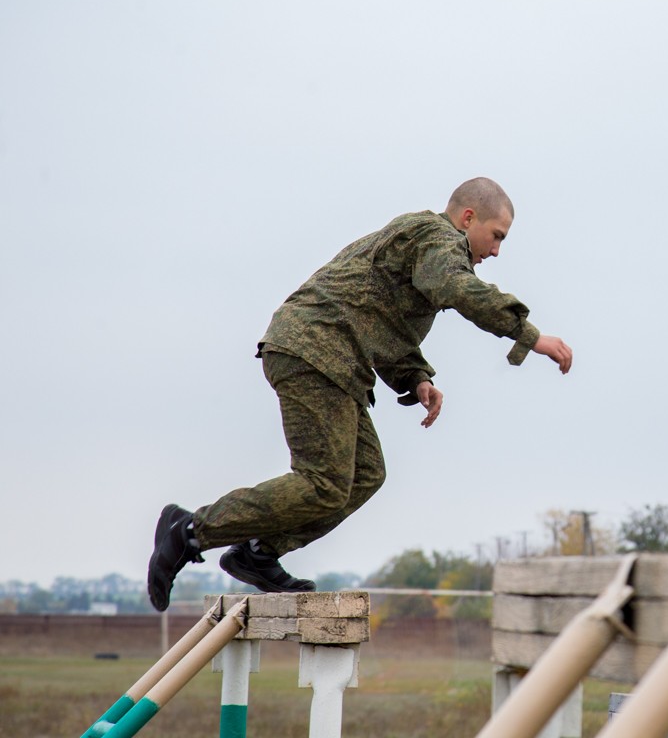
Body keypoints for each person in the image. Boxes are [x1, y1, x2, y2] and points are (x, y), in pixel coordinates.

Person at [146, 177, 573, 611]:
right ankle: (191, 530)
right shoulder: (438, 239)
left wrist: (415, 377)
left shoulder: (425, 245)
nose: (496, 251)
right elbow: (456, 287)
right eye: (496, 236)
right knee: (324, 482)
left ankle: (258, 553)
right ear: (468, 218)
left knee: (366, 473)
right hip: (315, 349)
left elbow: (379, 319)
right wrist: (527, 334)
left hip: (333, 356)